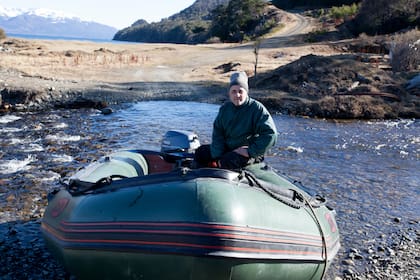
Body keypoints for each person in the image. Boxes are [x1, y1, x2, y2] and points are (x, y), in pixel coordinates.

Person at [194, 71, 277, 169]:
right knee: (201, 152)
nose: (237, 95)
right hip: (229, 148)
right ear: (229, 93)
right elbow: (218, 132)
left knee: (228, 161)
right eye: (234, 91)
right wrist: (217, 155)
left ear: (246, 92)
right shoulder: (225, 109)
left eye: (240, 91)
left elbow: (271, 134)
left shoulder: (257, 109)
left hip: (249, 153)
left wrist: (250, 151)